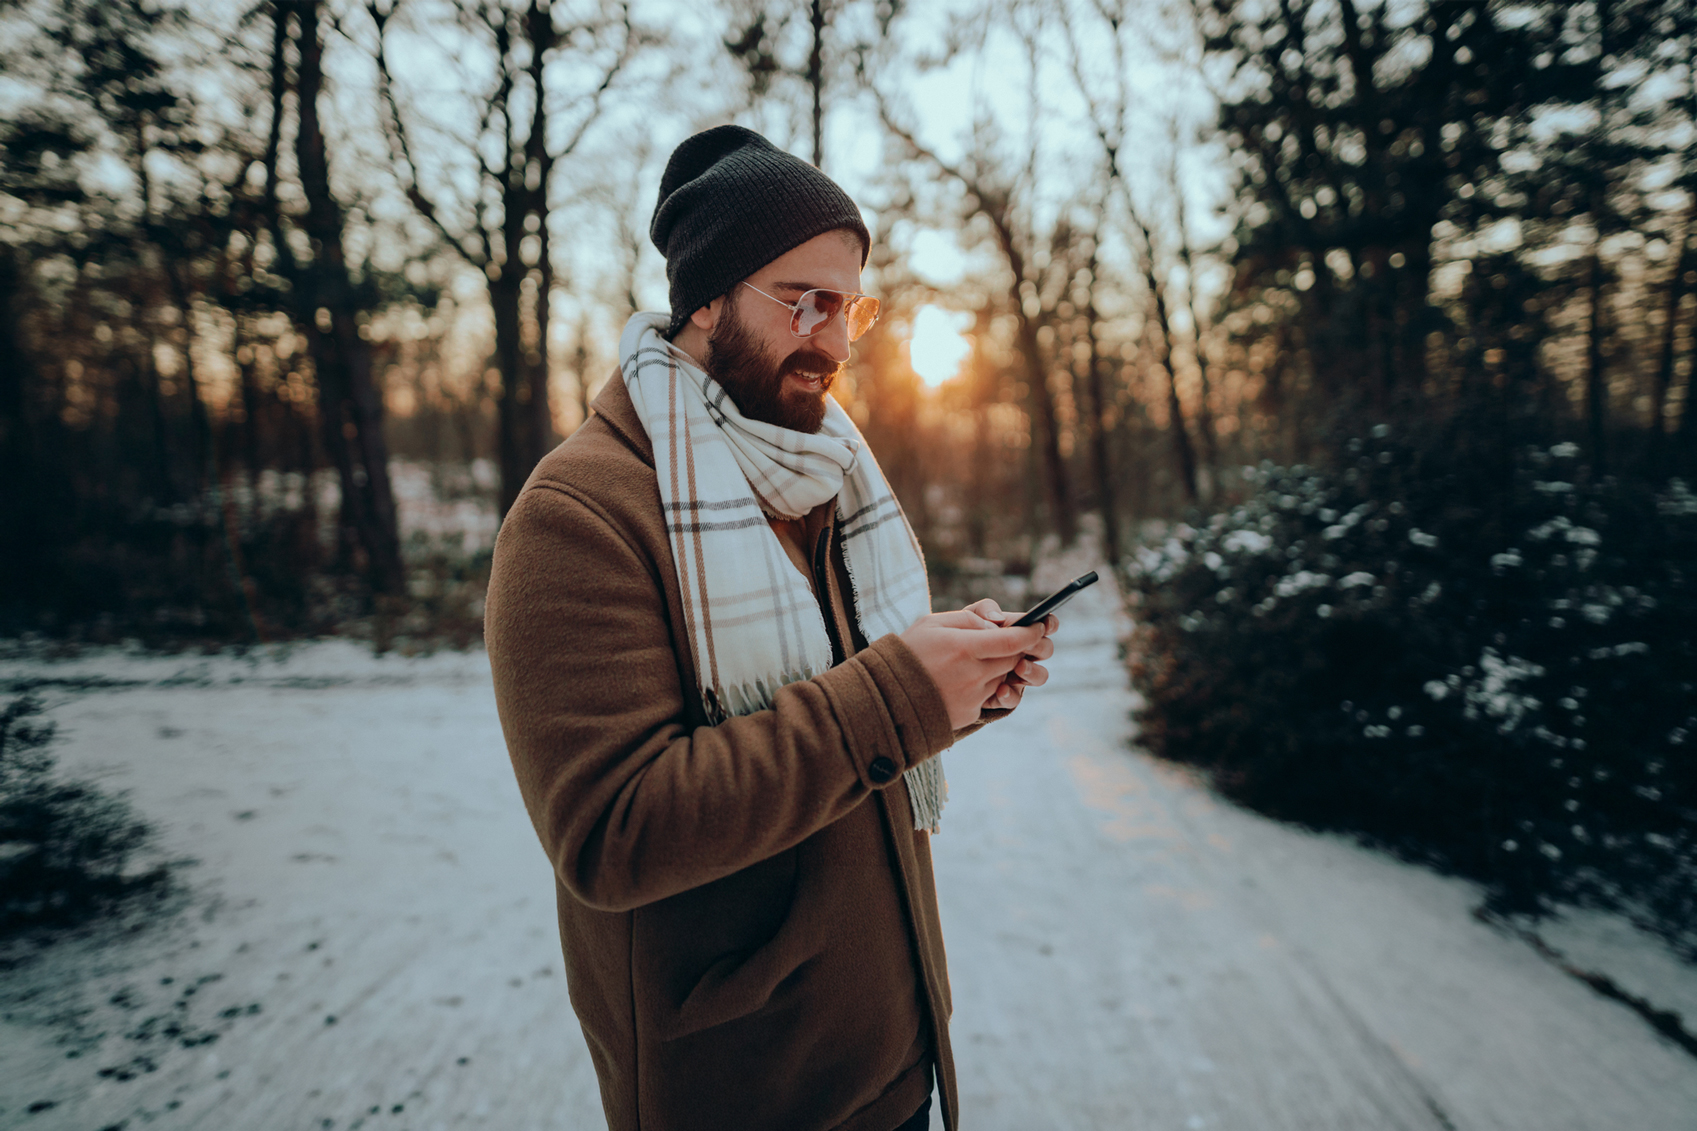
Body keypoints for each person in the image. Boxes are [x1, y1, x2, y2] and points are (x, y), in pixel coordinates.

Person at [484, 124, 1057, 1131]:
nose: (834, 341)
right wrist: (896, 698)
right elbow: (613, 834)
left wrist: (949, 689)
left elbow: (839, 734)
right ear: (704, 299)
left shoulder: (818, 479)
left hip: (892, 1062)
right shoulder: (579, 514)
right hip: (742, 1091)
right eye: (805, 301)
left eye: (850, 308)